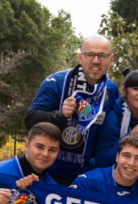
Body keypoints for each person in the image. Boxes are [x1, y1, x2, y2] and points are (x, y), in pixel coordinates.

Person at [25, 34, 120, 184]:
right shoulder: (56, 82)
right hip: (45, 170)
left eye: (102, 56)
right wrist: (60, 115)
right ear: (80, 58)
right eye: (90, 55)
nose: (96, 61)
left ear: (111, 60)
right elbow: (30, 120)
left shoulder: (111, 90)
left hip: (83, 175)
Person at [87, 69, 138, 171]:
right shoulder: (113, 118)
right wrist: (131, 136)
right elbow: (101, 161)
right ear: (124, 91)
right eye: (136, 88)